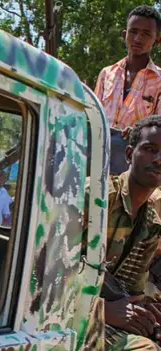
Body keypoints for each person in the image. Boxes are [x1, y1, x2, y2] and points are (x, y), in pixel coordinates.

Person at [92, 116, 161, 350]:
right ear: (130, 154)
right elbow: (43, 272)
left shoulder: (151, 223)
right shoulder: (96, 199)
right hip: (62, 314)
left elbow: (130, 292)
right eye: (151, 150)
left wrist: (146, 315)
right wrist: (102, 309)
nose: (159, 159)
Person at [95, 6, 161, 130]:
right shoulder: (106, 74)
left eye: (146, 34)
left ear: (156, 41)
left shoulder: (159, 81)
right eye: (133, 31)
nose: (137, 39)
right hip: (101, 146)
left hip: (136, 148)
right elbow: (94, 116)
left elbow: (158, 131)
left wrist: (137, 133)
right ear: (125, 35)